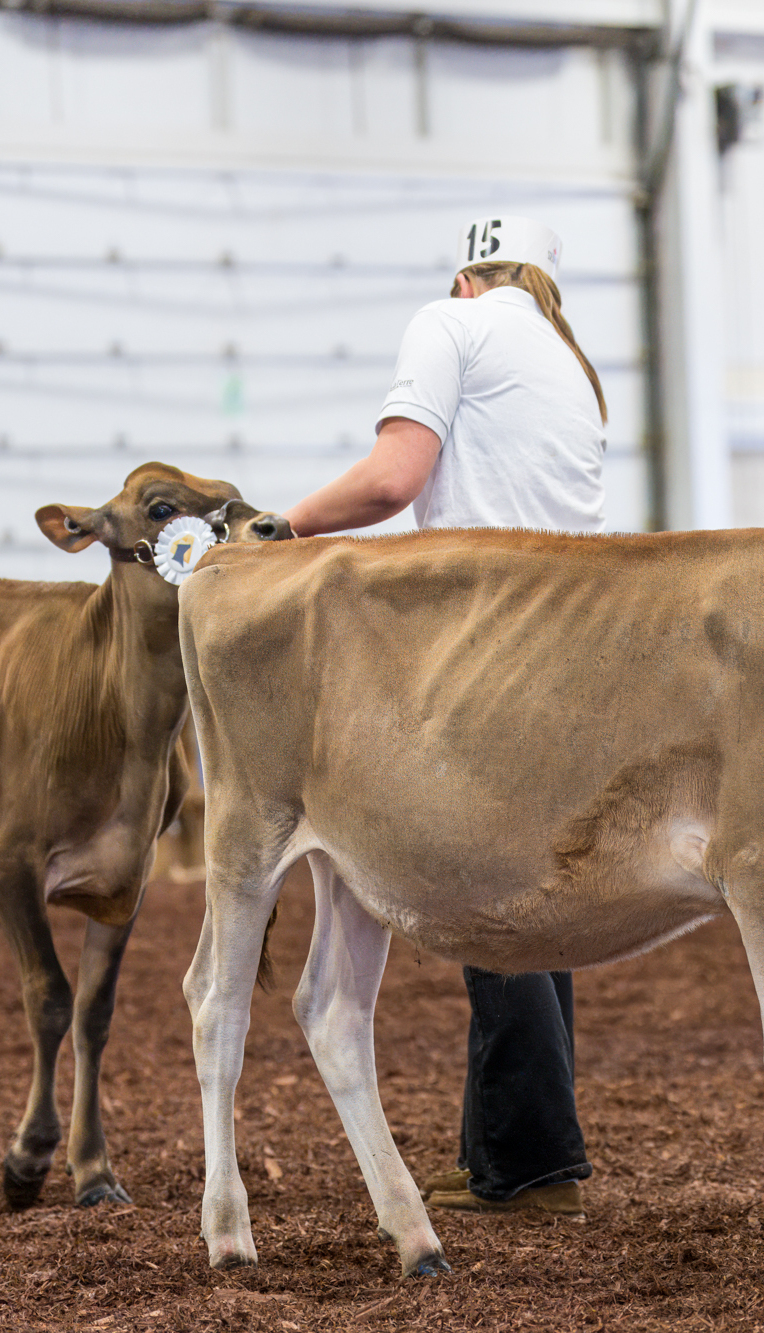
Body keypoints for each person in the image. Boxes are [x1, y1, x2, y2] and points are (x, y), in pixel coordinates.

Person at [281, 215, 607, 1217]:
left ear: (468, 276)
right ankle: (505, 1150)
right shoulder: (568, 360)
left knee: (487, 891)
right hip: (578, 634)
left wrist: (284, 526)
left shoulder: (450, 323)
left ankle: (535, 1163)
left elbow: (394, 477)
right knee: (533, 894)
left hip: (486, 635)